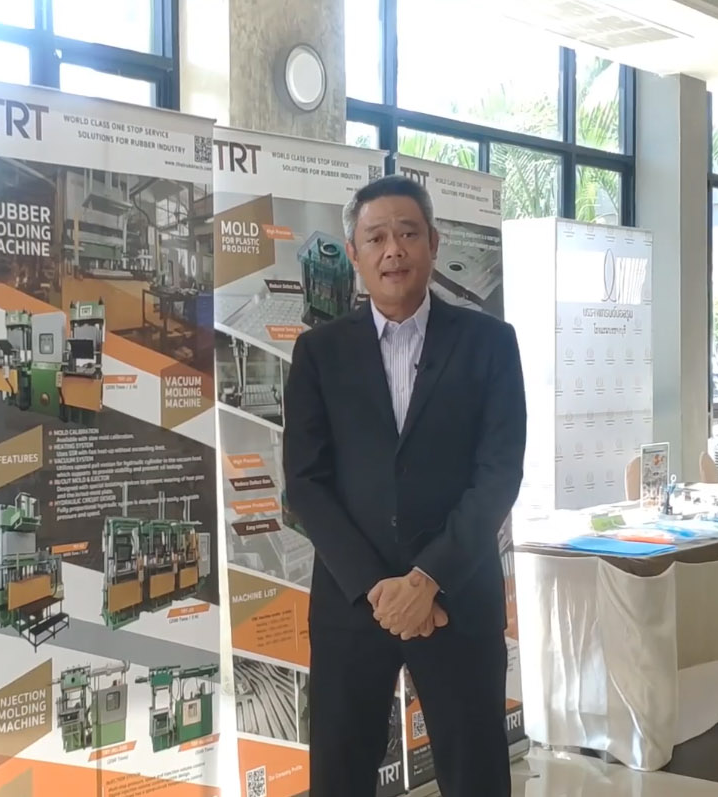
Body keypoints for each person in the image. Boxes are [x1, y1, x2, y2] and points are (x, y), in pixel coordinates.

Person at [283, 175, 526, 797]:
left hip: (456, 600)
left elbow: (499, 473)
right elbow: (305, 483)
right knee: (340, 778)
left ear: (434, 243)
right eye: (377, 237)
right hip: (351, 603)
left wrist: (426, 580)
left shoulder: (490, 344)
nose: (394, 250)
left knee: (476, 776)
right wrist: (379, 589)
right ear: (354, 253)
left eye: (408, 233)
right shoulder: (318, 353)